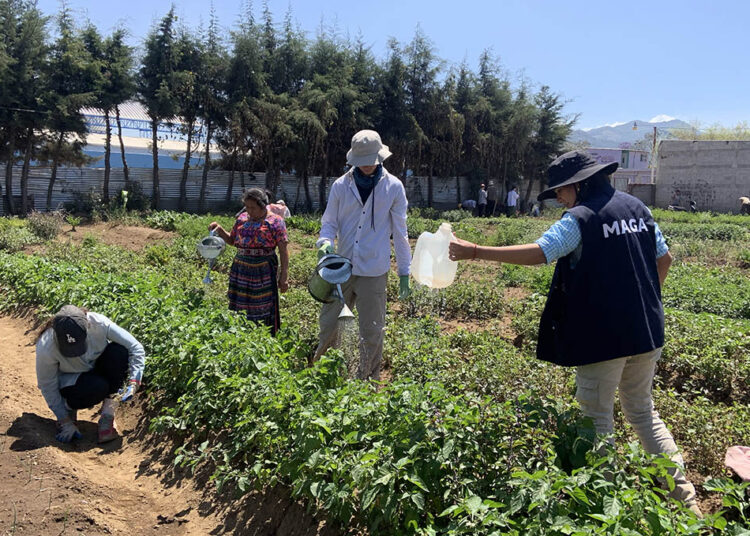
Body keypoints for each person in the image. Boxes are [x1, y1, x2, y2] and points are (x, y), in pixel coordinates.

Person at [448, 151, 702, 517]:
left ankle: (608, 511)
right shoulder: (638, 209)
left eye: (560, 192)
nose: (559, 199)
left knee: (596, 420)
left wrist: (475, 251)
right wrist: (643, 301)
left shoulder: (580, 218)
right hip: (646, 330)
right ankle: (687, 504)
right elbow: (665, 259)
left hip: (603, 338)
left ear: (578, 185)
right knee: (643, 412)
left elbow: (541, 252)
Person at [314, 129, 411, 380]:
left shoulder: (393, 187)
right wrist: (325, 242)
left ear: (380, 156)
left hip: (374, 270)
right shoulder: (340, 186)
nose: (367, 165)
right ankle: (323, 378)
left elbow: (400, 232)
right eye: (362, 161)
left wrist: (404, 272)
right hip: (341, 269)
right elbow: (329, 223)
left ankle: (367, 382)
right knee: (329, 326)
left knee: (372, 331)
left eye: (371, 160)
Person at [35, 305, 145, 444]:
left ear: (87, 327)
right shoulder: (46, 345)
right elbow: (47, 385)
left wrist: (135, 381)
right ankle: (68, 408)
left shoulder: (99, 324)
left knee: (119, 351)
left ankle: (107, 416)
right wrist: (64, 420)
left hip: (96, 368)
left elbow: (135, 347)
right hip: (71, 382)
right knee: (97, 386)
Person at [209, 188, 289, 335]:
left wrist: (284, 277)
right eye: (247, 207)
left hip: (263, 271)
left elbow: (283, 251)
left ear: (263, 205)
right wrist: (219, 230)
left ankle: (263, 336)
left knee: (262, 304)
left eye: (253, 207)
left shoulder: (276, 222)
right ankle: (239, 334)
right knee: (239, 304)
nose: (249, 211)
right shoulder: (242, 219)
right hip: (240, 270)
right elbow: (232, 240)